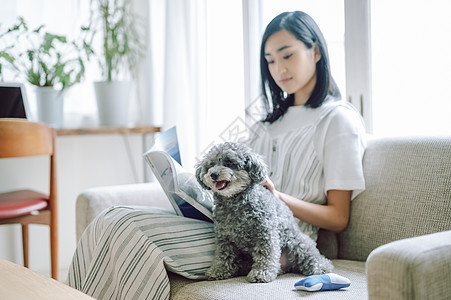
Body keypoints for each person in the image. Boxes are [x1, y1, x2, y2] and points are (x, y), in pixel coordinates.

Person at [67, 11, 365, 300]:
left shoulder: (337, 119)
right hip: (228, 224)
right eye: (270, 61)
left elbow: (338, 218)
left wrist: (278, 196)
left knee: (126, 228)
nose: (279, 70)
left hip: (277, 242)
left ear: (315, 52)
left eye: (287, 55)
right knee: (112, 217)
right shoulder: (264, 122)